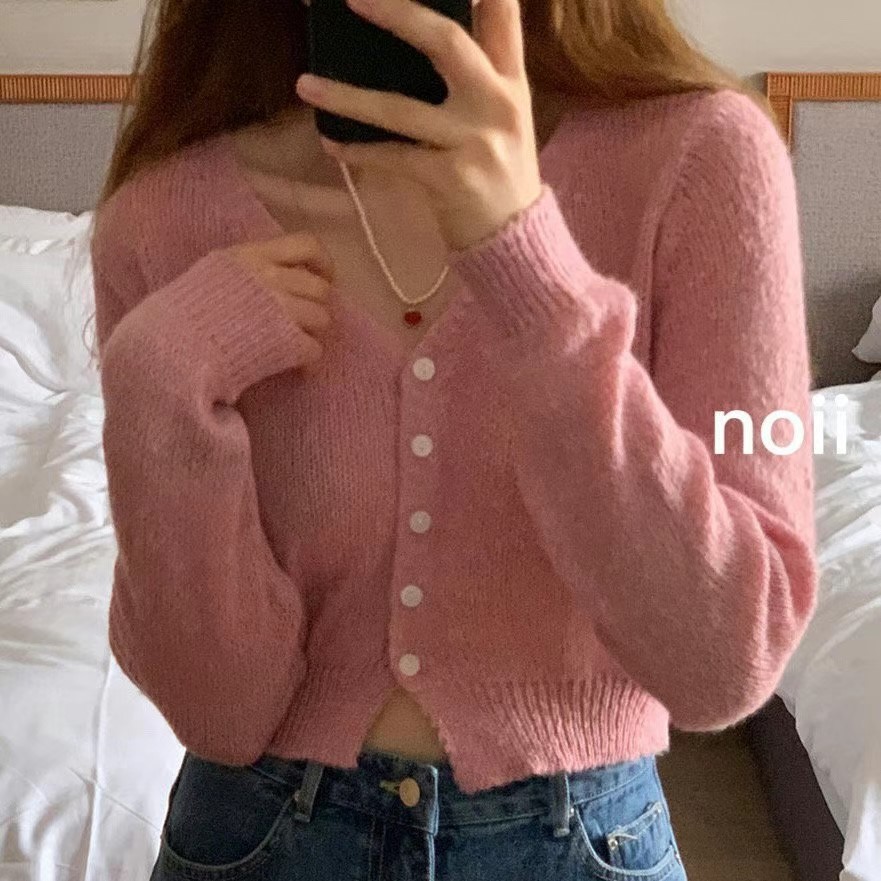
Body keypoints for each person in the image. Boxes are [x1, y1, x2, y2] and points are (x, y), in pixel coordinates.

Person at [87, 0, 818, 877]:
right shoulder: (162, 217)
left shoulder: (706, 159)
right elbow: (218, 712)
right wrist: (157, 386)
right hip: (259, 837)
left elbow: (725, 659)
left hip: (579, 843)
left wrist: (527, 268)